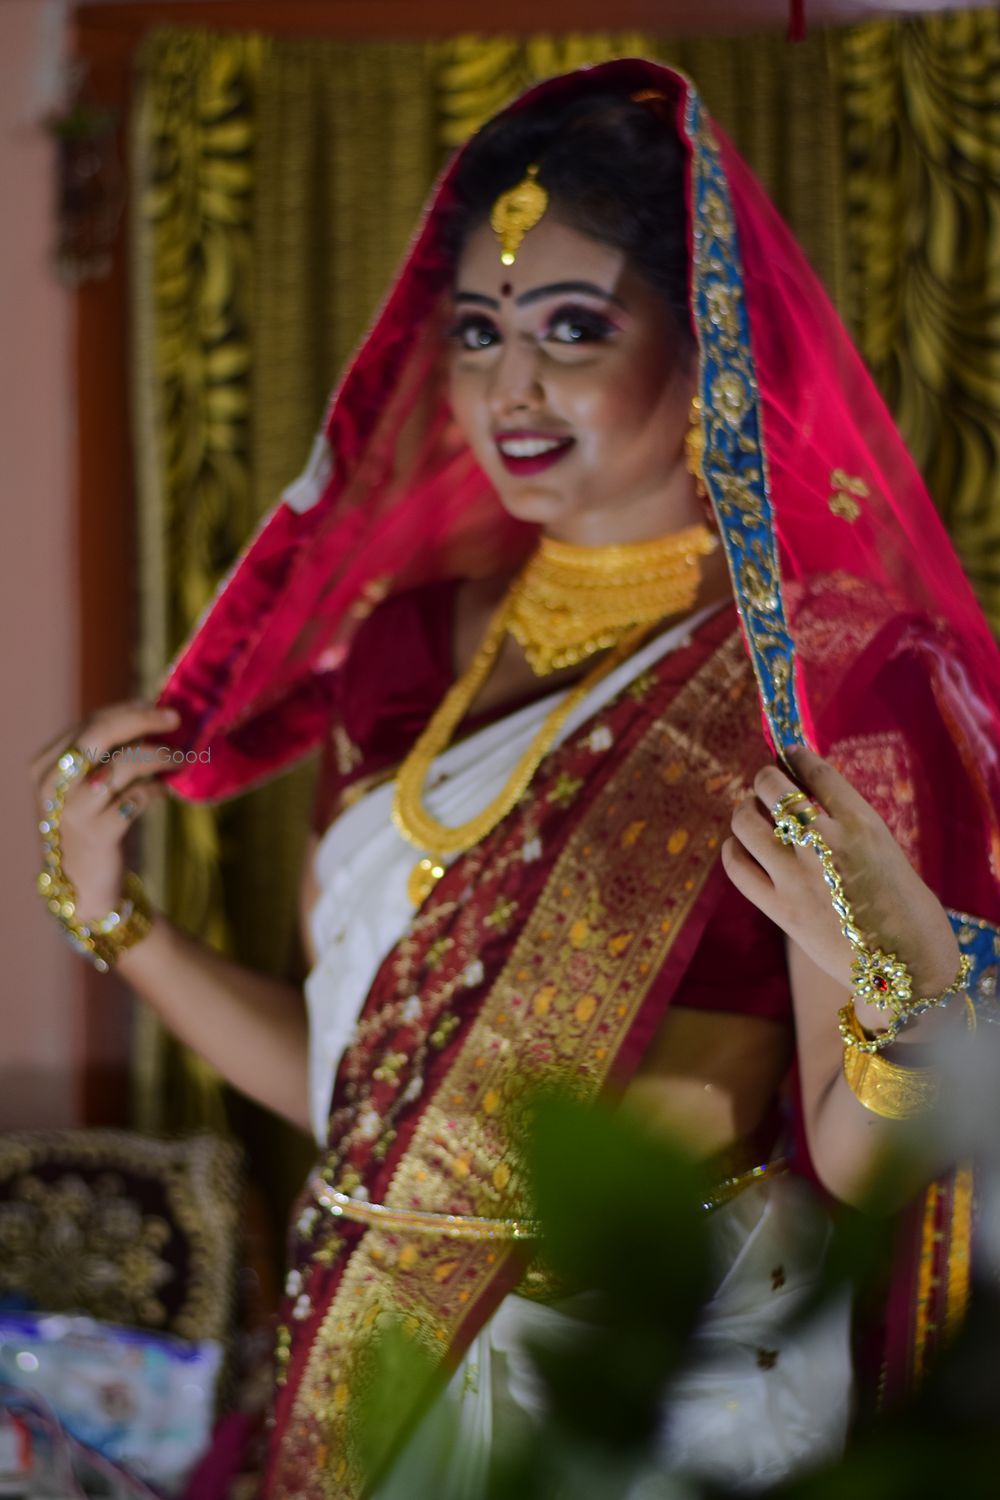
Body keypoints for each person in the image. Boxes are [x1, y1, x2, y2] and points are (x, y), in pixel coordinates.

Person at [30, 59, 1000, 1500]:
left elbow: (877, 1170)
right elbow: (362, 1100)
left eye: (574, 327)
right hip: (371, 1353)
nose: (511, 386)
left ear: (710, 347)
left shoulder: (829, 681)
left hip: (662, 1385)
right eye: (477, 332)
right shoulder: (406, 652)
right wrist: (118, 928)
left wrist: (917, 981)